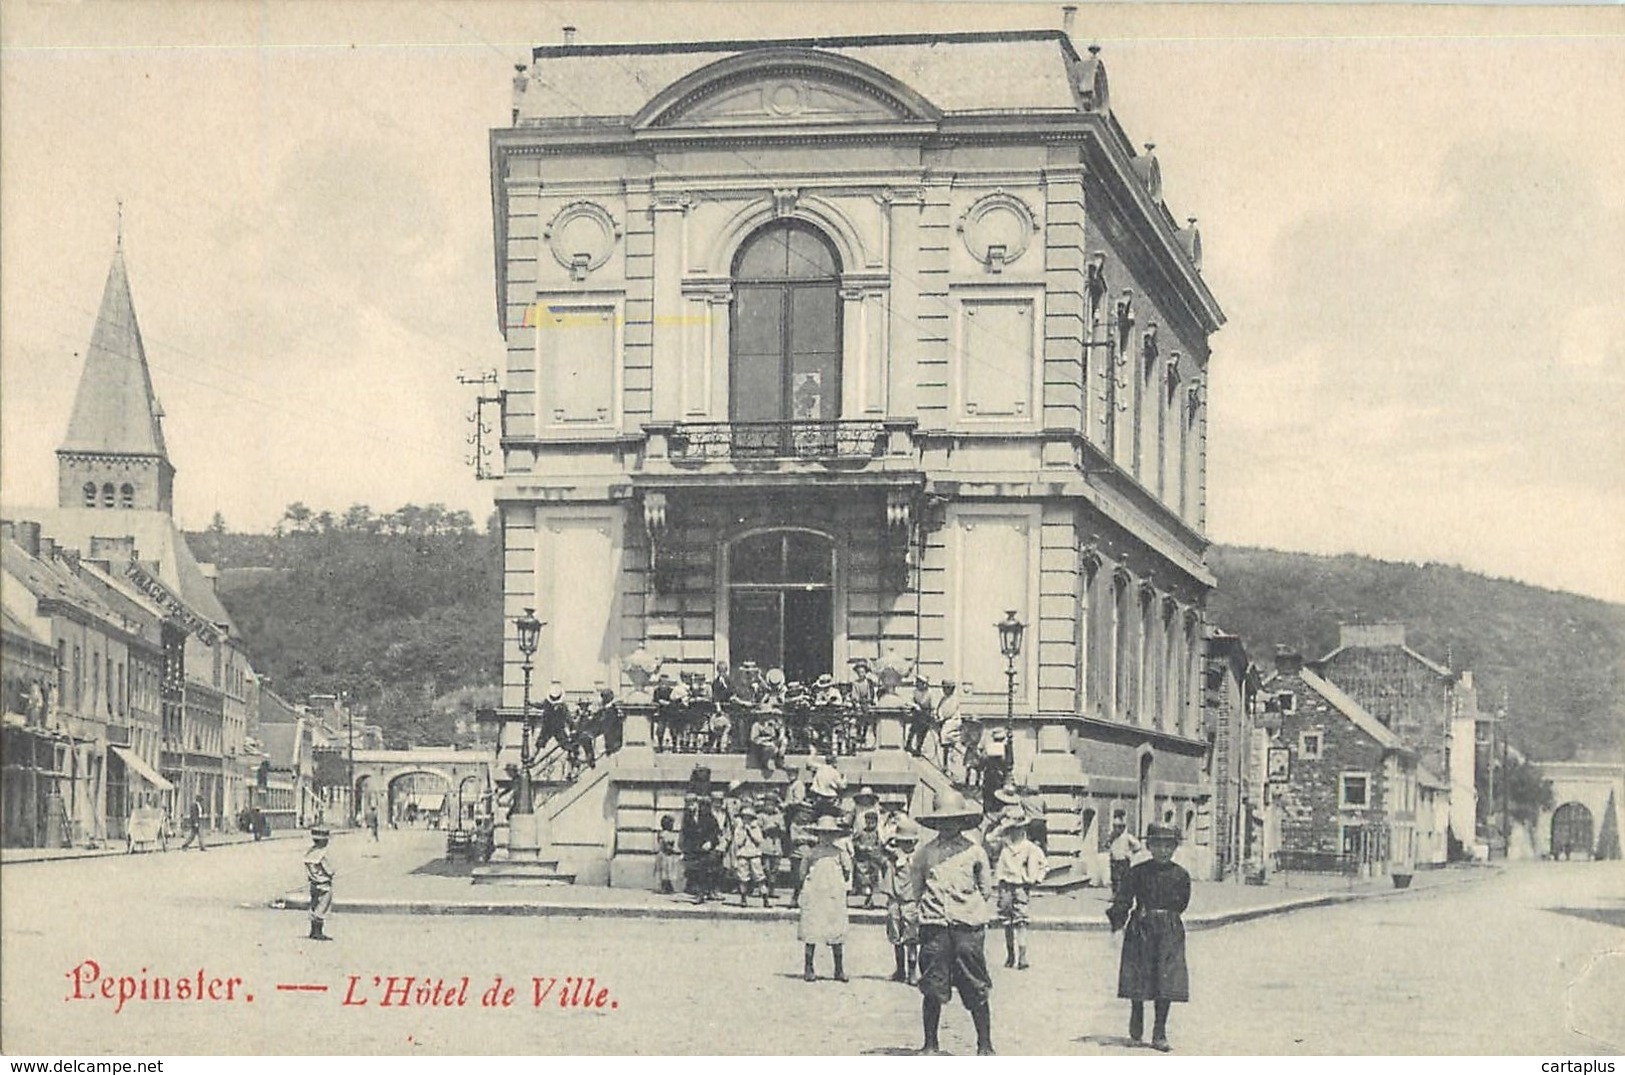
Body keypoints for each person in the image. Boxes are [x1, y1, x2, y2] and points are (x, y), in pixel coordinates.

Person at [910, 789, 995, 1056]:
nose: (947, 825)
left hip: (967, 927)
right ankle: (931, 1044)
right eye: (942, 820)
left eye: (953, 819)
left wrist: (967, 909)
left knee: (975, 984)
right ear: (935, 823)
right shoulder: (925, 853)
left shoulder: (974, 852)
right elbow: (917, 889)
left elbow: (986, 888)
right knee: (932, 983)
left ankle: (985, 1044)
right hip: (935, 925)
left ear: (962, 821)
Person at [1107, 823, 1191, 1052]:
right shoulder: (1138, 872)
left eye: (1168, 845)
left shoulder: (1181, 875)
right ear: (1149, 846)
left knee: (1167, 979)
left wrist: (1166, 918)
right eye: (1158, 845)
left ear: (1174, 847)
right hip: (1141, 928)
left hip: (1170, 931)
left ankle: (1159, 1032)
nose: (1163, 850)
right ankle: (1136, 1015)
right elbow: (1123, 899)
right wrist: (1117, 925)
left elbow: (1182, 903)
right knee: (1139, 974)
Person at [798, 815, 853, 982]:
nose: (826, 838)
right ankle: (809, 968)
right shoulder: (811, 853)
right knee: (812, 930)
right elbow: (802, 872)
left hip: (833, 896)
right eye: (823, 834)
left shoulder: (840, 853)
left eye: (830, 834)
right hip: (815, 894)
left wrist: (837, 886)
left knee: (836, 931)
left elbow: (847, 871)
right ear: (818, 835)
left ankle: (839, 969)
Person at [995, 815, 1047, 970]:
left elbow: (1044, 865)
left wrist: (1037, 878)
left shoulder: (1030, 848)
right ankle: (1010, 955)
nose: (1015, 832)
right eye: (1012, 829)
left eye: (1018, 829)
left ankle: (1022, 957)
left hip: (1021, 887)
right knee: (1007, 921)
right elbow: (989, 840)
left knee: (1021, 920)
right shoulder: (1004, 848)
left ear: (1024, 829)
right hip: (1005, 886)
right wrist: (1000, 828)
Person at [882, 817, 923, 983]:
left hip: (911, 901)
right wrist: (891, 839)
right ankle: (900, 970)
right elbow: (881, 848)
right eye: (902, 842)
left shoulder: (919, 859)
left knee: (911, 939)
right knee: (896, 938)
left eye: (909, 842)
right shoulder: (894, 857)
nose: (906, 846)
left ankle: (912, 972)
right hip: (895, 900)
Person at [679, 793, 720, 902]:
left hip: (707, 847)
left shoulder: (706, 814)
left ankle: (707, 893)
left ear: (697, 803)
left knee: (707, 871)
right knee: (697, 872)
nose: (690, 807)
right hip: (694, 848)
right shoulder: (687, 816)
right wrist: (683, 850)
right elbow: (685, 834)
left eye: (692, 804)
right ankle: (701, 894)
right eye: (688, 804)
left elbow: (715, 831)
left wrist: (710, 842)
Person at [731, 803, 771, 907]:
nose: (746, 820)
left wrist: (751, 832)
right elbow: (738, 842)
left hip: (754, 855)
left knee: (760, 877)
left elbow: (759, 840)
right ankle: (743, 899)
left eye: (748, 818)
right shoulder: (739, 829)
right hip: (743, 855)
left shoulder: (756, 828)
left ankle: (765, 899)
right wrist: (744, 833)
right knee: (743, 878)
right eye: (744, 818)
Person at [303, 827, 335, 941]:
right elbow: (330, 870)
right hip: (324, 884)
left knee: (314, 905)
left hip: (313, 884)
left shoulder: (310, 853)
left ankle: (313, 930)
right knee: (322, 908)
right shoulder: (322, 855)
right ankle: (318, 932)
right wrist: (332, 873)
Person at [853, 809, 885, 909]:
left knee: (873, 880)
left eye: (873, 822)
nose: (870, 824)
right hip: (863, 861)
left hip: (873, 860)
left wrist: (875, 850)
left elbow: (880, 845)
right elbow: (854, 842)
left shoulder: (877, 833)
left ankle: (870, 899)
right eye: (868, 822)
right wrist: (861, 847)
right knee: (864, 880)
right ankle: (866, 899)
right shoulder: (861, 832)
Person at [1107, 811, 1143, 897]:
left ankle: (1122, 895)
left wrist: (1130, 853)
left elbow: (1137, 846)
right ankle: (1114, 895)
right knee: (1114, 878)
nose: (1117, 829)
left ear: (1123, 828)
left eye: (1119, 827)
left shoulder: (1127, 836)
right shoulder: (1112, 835)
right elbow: (1107, 844)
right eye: (1115, 827)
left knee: (1123, 879)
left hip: (1123, 861)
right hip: (1114, 860)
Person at [936, 680, 962, 775]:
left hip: (952, 722)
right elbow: (939, 708)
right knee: (944, 745)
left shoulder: (954, 699)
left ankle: (951, 767)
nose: (944, 690)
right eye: (944, 688)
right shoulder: (943, 699)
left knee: (949, 740)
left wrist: (942, 718)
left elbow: (950, 711)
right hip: (945, 722)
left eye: (947, 688)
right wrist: (938, 716)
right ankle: (945, 765)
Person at [906, 676, 935, 757]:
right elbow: (909, 701)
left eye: (919, 683)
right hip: (917, 714)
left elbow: (924, 702)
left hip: (925, 714)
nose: (917, 684)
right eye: (917, 682)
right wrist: (914, 705)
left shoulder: (929, 692)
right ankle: (908, 744)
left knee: (922, 732)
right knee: (913, 729)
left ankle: (918, 748)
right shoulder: (915, 691)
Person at [655, 814, 683, 894]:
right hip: (665, 855)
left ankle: (669, 887)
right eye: (671, 824)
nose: (673, 826)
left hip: (668, 856)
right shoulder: (664, 834)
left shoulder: (668, 834)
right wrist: (674, 851)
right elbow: (665, 846)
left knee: (668, 872)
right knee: (665, 872)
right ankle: (664, 888)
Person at [597, 688, 624, 757]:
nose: (602, 700)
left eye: (603, 697)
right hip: (609, 740)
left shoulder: (611, 710)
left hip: (612, 741)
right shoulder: (606, 709)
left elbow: (606, 724)